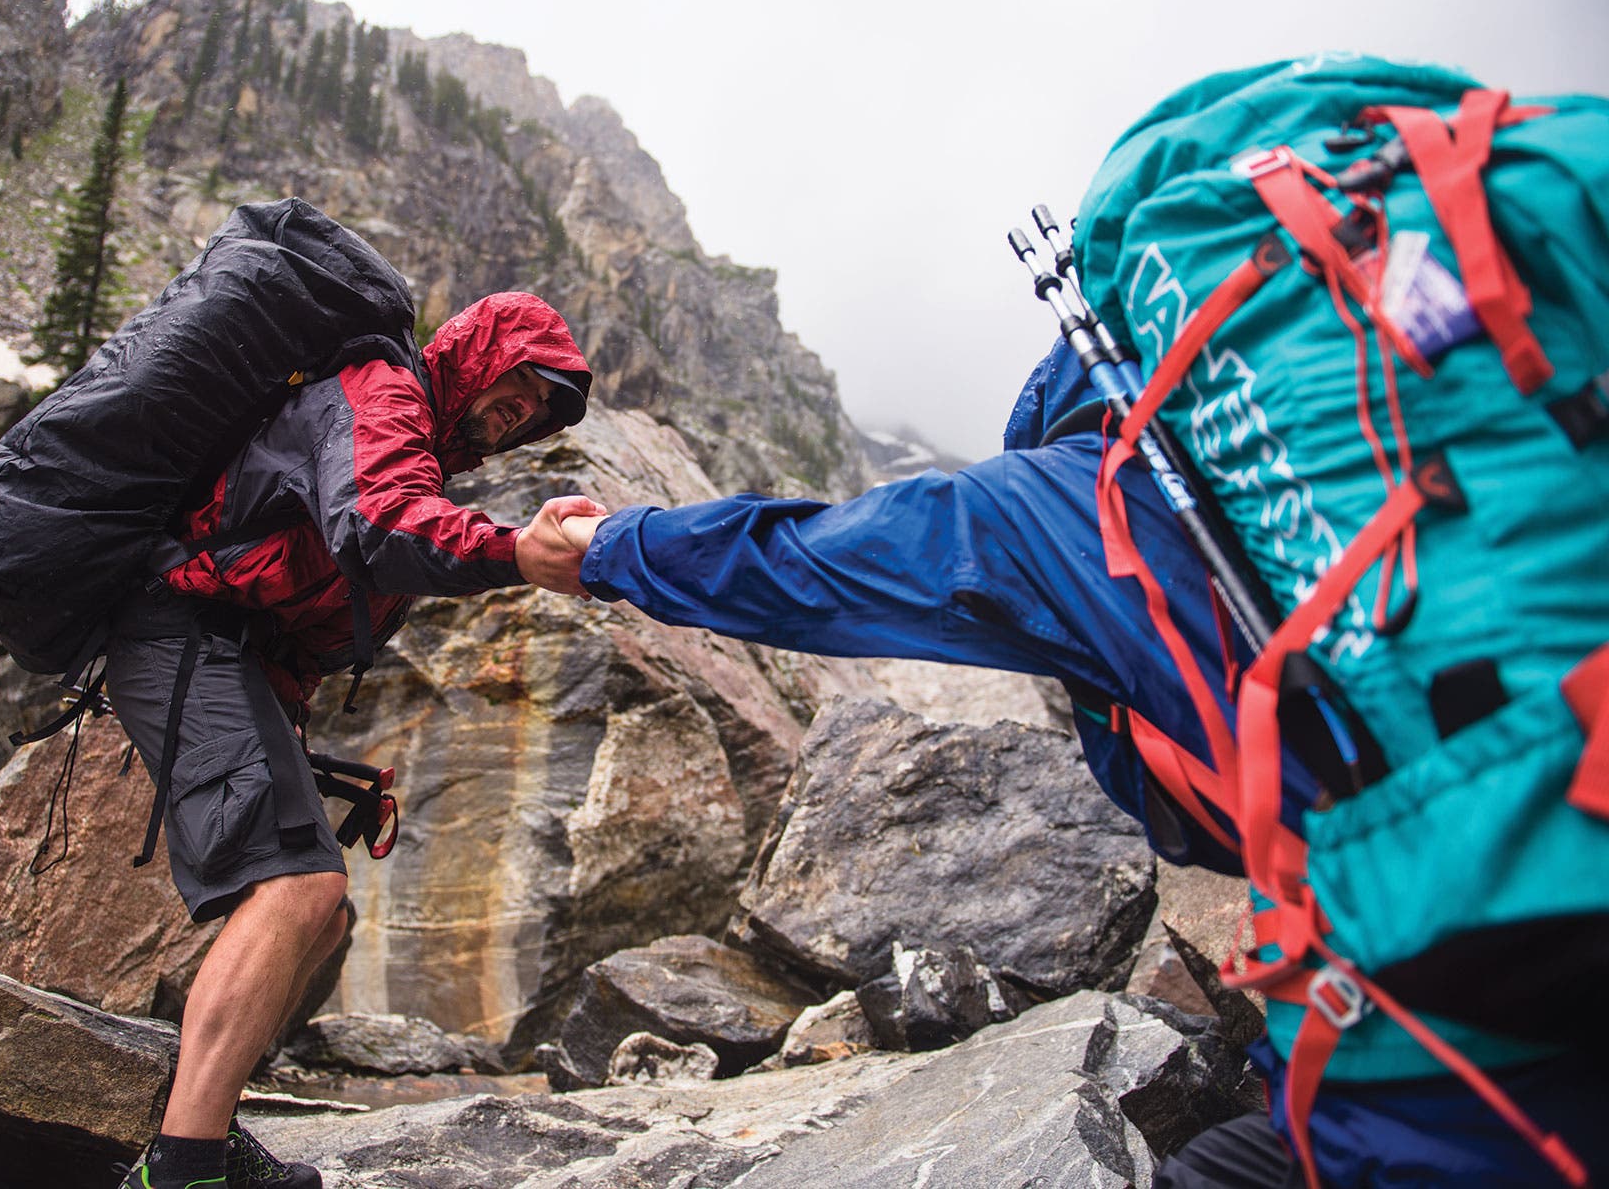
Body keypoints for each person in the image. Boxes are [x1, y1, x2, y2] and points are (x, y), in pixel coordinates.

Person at [541, 337, 1606, 1188]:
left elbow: (812, 562)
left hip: (1461, 1047)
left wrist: (603, 548)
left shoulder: (1082, 499)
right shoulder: (1462, 432)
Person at [107, 290, 606, 1189]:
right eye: (518, 386)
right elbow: (377, 523)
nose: (518, 413)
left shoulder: (418, 440)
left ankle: (205, 1134)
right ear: (476, 352)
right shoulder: (379, 391)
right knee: (300, 885)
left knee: (324, 913)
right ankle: (181, 1171)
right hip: (179, 628)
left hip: (238, 656)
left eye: (534, 412)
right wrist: (513, 551)